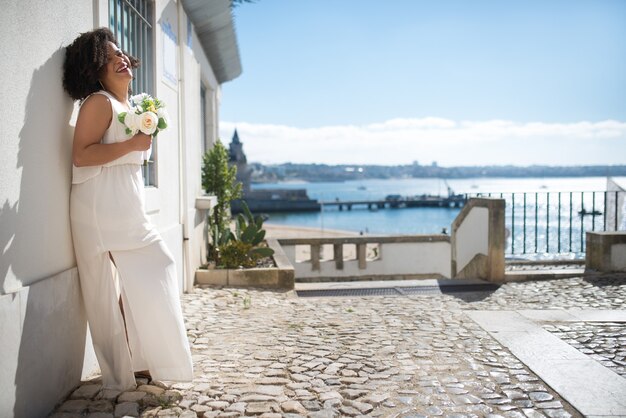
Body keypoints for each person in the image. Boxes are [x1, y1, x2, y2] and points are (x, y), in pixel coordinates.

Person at [63, 28, 193, 390]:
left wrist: (137, 140)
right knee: (151, 265)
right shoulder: (99, 102)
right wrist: (134, 143)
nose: (119, 59)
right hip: (100, 207)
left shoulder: (131, 107)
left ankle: (137, 363)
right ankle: (133, 368)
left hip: (125, 205)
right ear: (94, 70)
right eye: (107, 58)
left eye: (120, 53)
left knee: (133, 280)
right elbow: (81, 154)